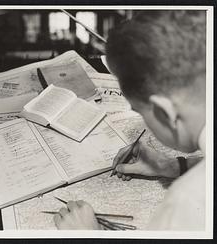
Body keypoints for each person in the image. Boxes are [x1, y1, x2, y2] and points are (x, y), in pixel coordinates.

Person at [53, 10, 206, 230]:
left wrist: (88, 235)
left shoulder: (186, 204)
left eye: (140, 111)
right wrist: (174, 166)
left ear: (164, 112)